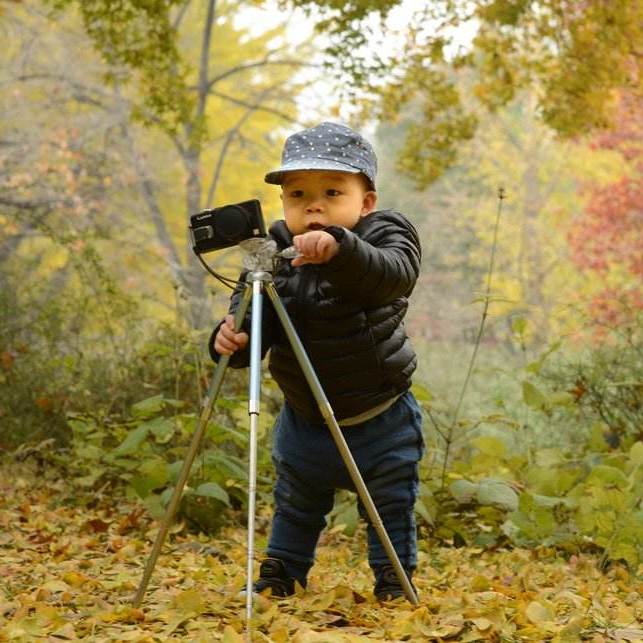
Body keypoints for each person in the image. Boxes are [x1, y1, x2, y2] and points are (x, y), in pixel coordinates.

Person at [210, 122, 424, 601]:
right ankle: (280, 574)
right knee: (296, 502)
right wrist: (231, 340)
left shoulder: (385, 233)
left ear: (365, 201)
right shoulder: (271, 254)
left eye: (332, 191)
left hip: (380, 415)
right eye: (298, 194)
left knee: (389, 504)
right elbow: (251, 327)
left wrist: (340, 248)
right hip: (306, 418)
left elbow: (396, 275)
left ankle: (394, 580)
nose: (314, 205)